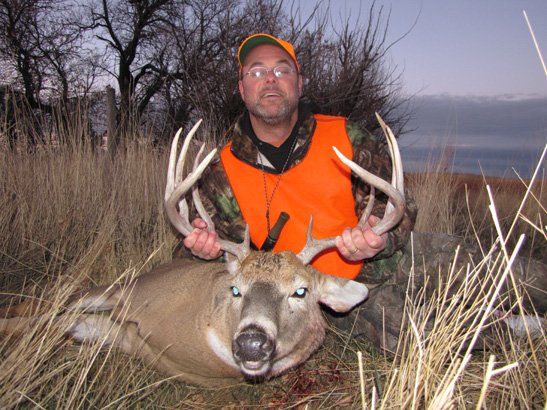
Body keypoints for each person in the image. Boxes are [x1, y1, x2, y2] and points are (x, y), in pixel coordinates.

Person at [182, 33, 546, 353]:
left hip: (393, 258)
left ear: (299, 82)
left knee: (503, 273)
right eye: (257, 71)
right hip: (321, 294)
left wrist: (379, 237)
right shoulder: (217, 171)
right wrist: (202, 249)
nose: (271, 79)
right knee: (418, 334)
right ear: (242, 87)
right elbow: (223, 263)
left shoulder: (346, 136)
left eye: (282, 69)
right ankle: (521, 330)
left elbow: (400, 208)